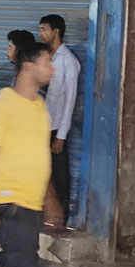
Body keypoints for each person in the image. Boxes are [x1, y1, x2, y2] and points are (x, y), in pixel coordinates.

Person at [0, 42, 55, 267]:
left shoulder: (40, 105)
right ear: (29, 66)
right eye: (47, 62)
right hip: (11, 205)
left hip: (30, 206)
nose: (53, 69)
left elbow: (39, 155)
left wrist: (49, 199)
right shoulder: (1, 106)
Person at [37, 14, 79, 232]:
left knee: (59, 176)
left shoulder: (68, 61)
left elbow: (70, 100)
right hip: (38, 127)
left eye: (44, 29)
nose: (40, 34)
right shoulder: (42, 58)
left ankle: (59, 222)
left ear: (56, 31)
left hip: (55, 129)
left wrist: (61, 136)